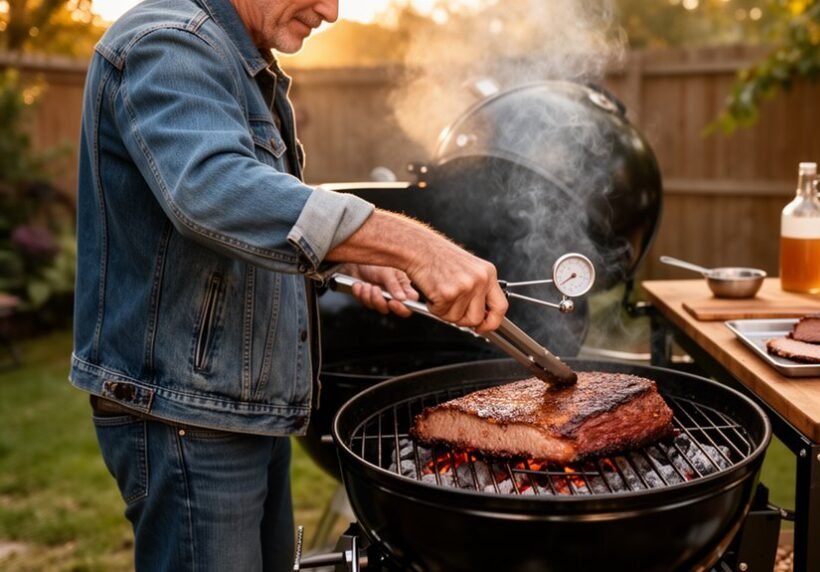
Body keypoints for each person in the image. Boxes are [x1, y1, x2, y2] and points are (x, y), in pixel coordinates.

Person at [70, 0, 509, 569]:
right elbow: (214, 189)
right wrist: (413, 244)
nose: (330, 12)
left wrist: (353, 259)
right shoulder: (167, 43)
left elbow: (256, 217)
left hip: (236, 399)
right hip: (187, 416)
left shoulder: (236, 58)